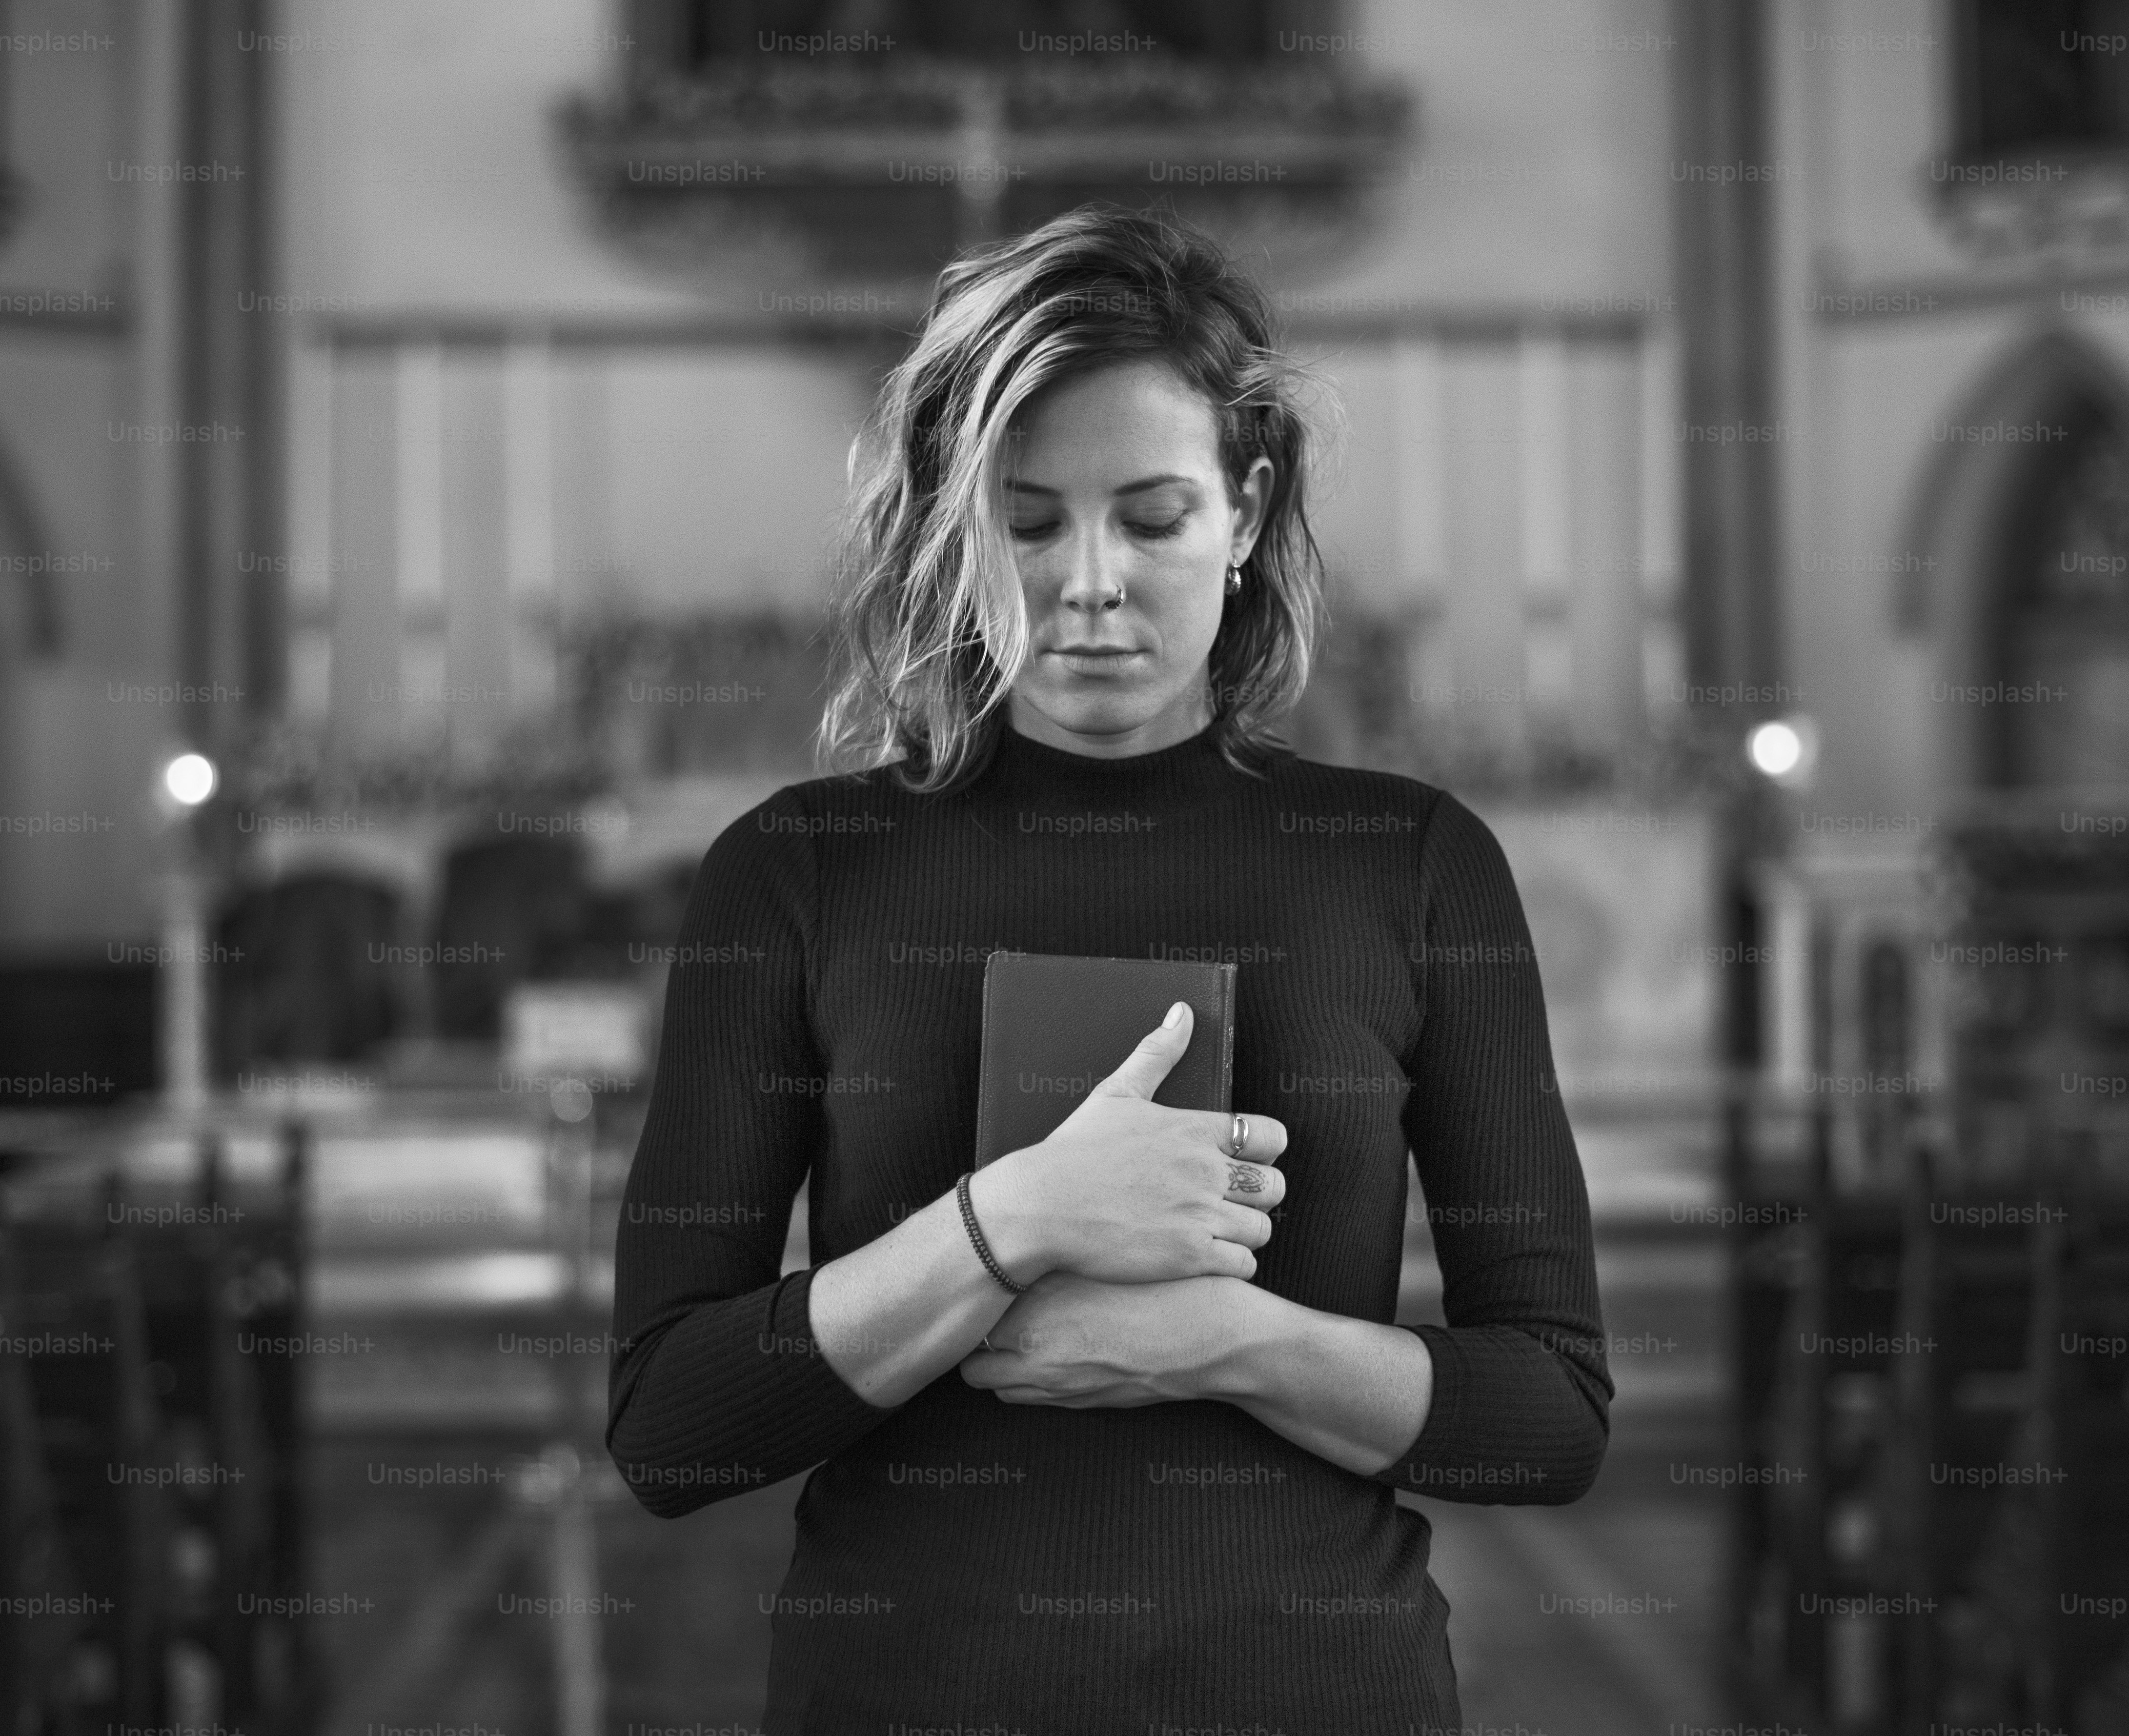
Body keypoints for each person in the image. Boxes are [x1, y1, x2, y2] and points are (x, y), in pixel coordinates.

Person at [607, 203, 1611, 1734]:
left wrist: (1233, 1341)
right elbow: (671, 1426)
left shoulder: (1404, 860)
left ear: (1247, 507)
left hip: (1314, 1693)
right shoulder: (796, 871)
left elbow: (1547, 1414)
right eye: (1026, 519)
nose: (1087, 580)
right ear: (956, 523)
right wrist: (1011, 1220)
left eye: (1150, 516)